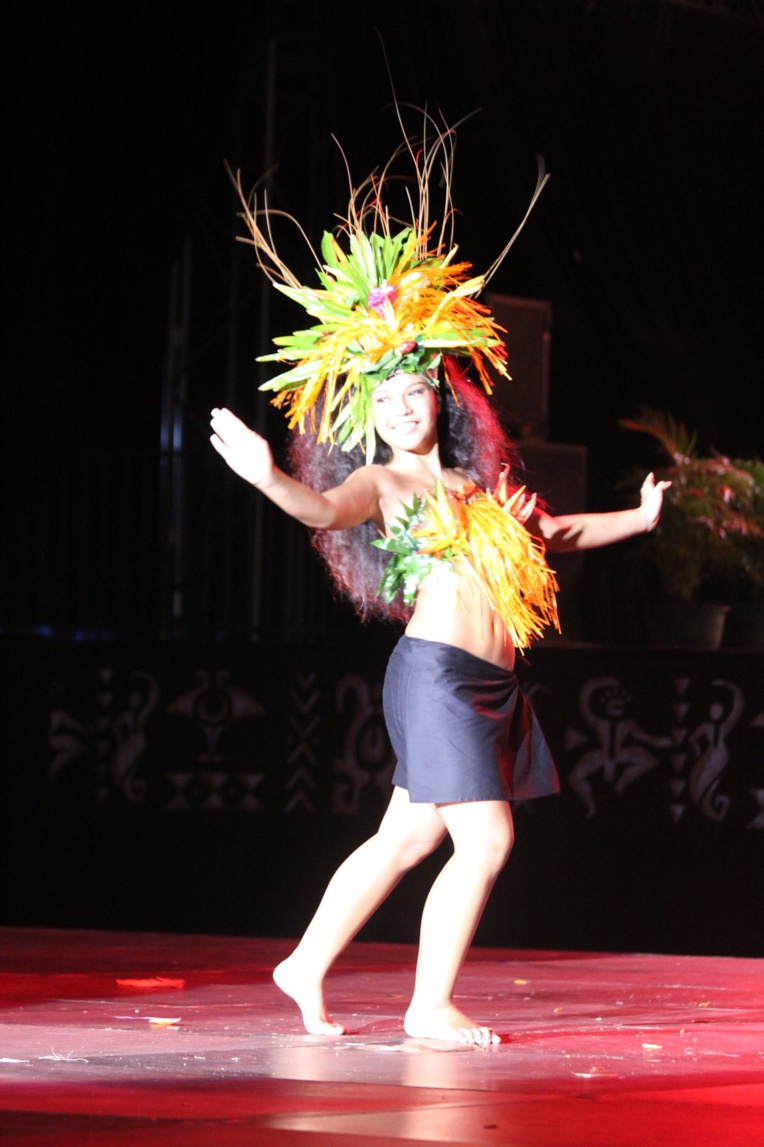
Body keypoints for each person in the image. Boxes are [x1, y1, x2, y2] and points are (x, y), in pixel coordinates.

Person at [210, 119, 670, 1045]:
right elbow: (324, 511)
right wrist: (267, 476)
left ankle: (303, 962)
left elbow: (555, 530)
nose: (402, 404)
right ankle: (427, 1005)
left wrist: (644, 519)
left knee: (409, 836)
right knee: (486, 841)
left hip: (491, 687)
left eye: (415, 390)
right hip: (435, 678)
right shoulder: (381, 483)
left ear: (441, 396)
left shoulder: (471, 482)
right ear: (368, 415)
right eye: (383, 397)